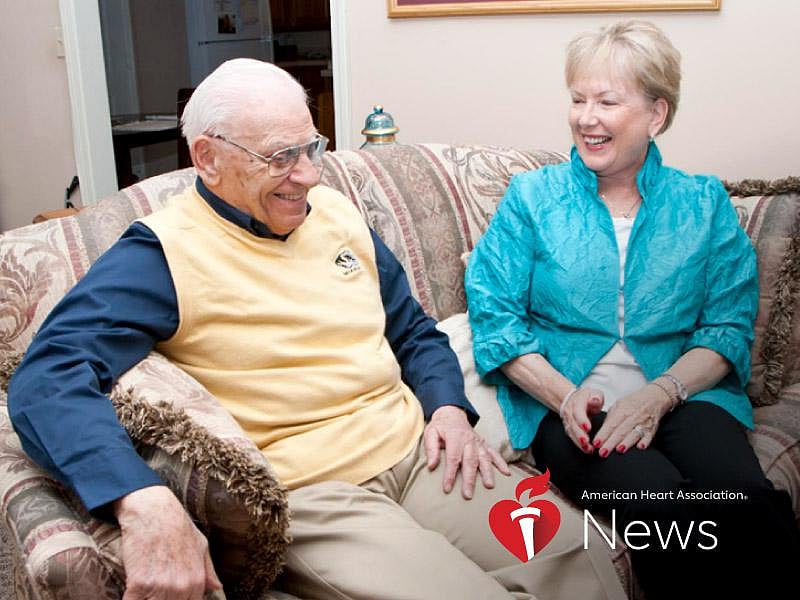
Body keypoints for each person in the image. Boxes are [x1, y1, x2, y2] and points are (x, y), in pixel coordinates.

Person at [8, 59, 626, 600]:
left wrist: (446, 411)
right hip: (317, 494)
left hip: (419, 454)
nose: (307, 174)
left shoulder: (334, 213)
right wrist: (138, 496)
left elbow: (412, 331)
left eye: (312, 148)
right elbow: (45, 378)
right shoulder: (160, 254)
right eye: (280, 157)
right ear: (208, 158)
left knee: (583, 559)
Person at [465, 20, 799, 600]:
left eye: (608, 102)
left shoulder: (702, 202)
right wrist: (565, 397)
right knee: (662, 506)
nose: (586, 118)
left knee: (741, 498)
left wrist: (658, 394)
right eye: (578, 99)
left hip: (684, 391)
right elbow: (495, 320)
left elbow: (726, 325)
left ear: (656, 115)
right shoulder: (532, 198)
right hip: (570, 404)